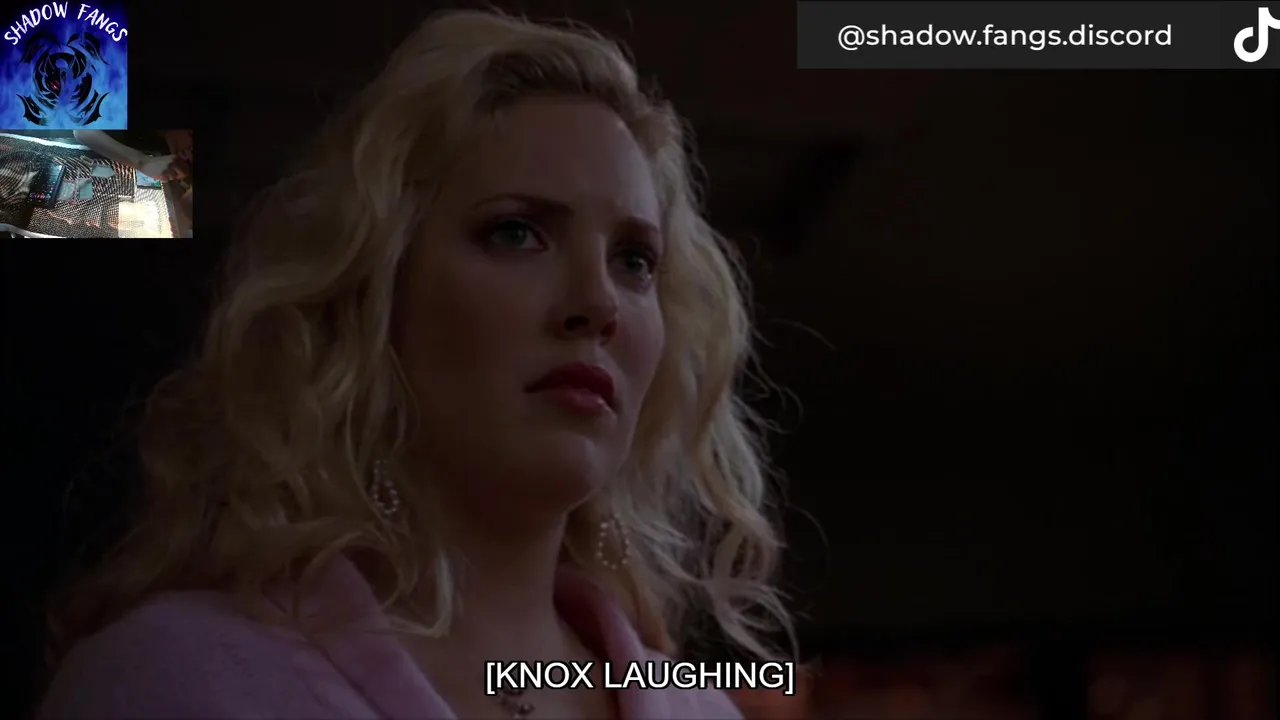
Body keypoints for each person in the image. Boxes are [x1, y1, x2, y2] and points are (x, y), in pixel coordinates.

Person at [39, 10, 789, 719]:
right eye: (516, 233)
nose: (598, 302)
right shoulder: (178, 677)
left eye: (634, 260)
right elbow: (32, 183)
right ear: (375, 291)